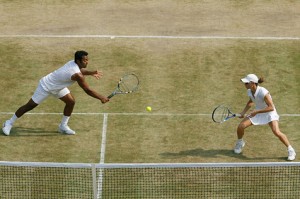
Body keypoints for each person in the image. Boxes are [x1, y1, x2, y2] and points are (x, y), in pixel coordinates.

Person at [2, 50, 109, 136]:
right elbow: (87, 90)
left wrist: (91, 73)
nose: (87, 62)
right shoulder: (76, 74)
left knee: (71, 102)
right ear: (78, 61)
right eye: (85, 60)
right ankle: (9, 122)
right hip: (46, 86)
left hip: (58, 88)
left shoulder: (73, 64)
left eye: (87, 60)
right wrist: (101, 97)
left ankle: (63, 126)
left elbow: (80, 71)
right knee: (30, 106)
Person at [234, 74, 296, 161]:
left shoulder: (263, 92)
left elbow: (271, 107)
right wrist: (243, 112)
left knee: (276, 132)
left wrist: (257, 112)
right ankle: (240, 142)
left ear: (252, 83)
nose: (245, 84)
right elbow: (251, 101)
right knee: (241, 126)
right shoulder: (249, 91)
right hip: (258, 111)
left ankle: (291, 150)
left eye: (246, 83)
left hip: (269, 112)